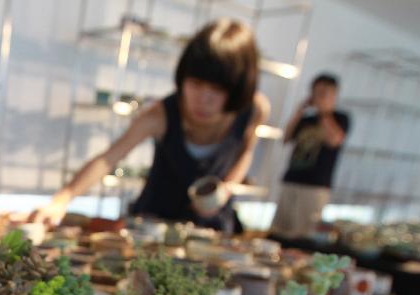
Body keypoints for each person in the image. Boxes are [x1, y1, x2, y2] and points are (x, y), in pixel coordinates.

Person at [33, 19, 269, 234]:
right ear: (183, 76)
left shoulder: (254, 109)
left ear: (239, 89)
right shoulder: (160, 116)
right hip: (152, 228)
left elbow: (246, 150)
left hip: (211, 230)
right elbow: (107, 159)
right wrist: (62, 199)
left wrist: (227, 187)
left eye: (217, 90)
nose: (203, 99)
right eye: (196, 84)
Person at [271, 73, 349, 238]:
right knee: (279, 230)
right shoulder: (306, 119)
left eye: (324, 93)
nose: (318, 97)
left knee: (303, 233)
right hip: (292, 178)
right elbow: (286, 138)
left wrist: (324, 113)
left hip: (316, 185)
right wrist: (299, 111)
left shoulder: (340, 118)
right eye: (316, 92)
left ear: (334, 94)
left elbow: (335, 139)